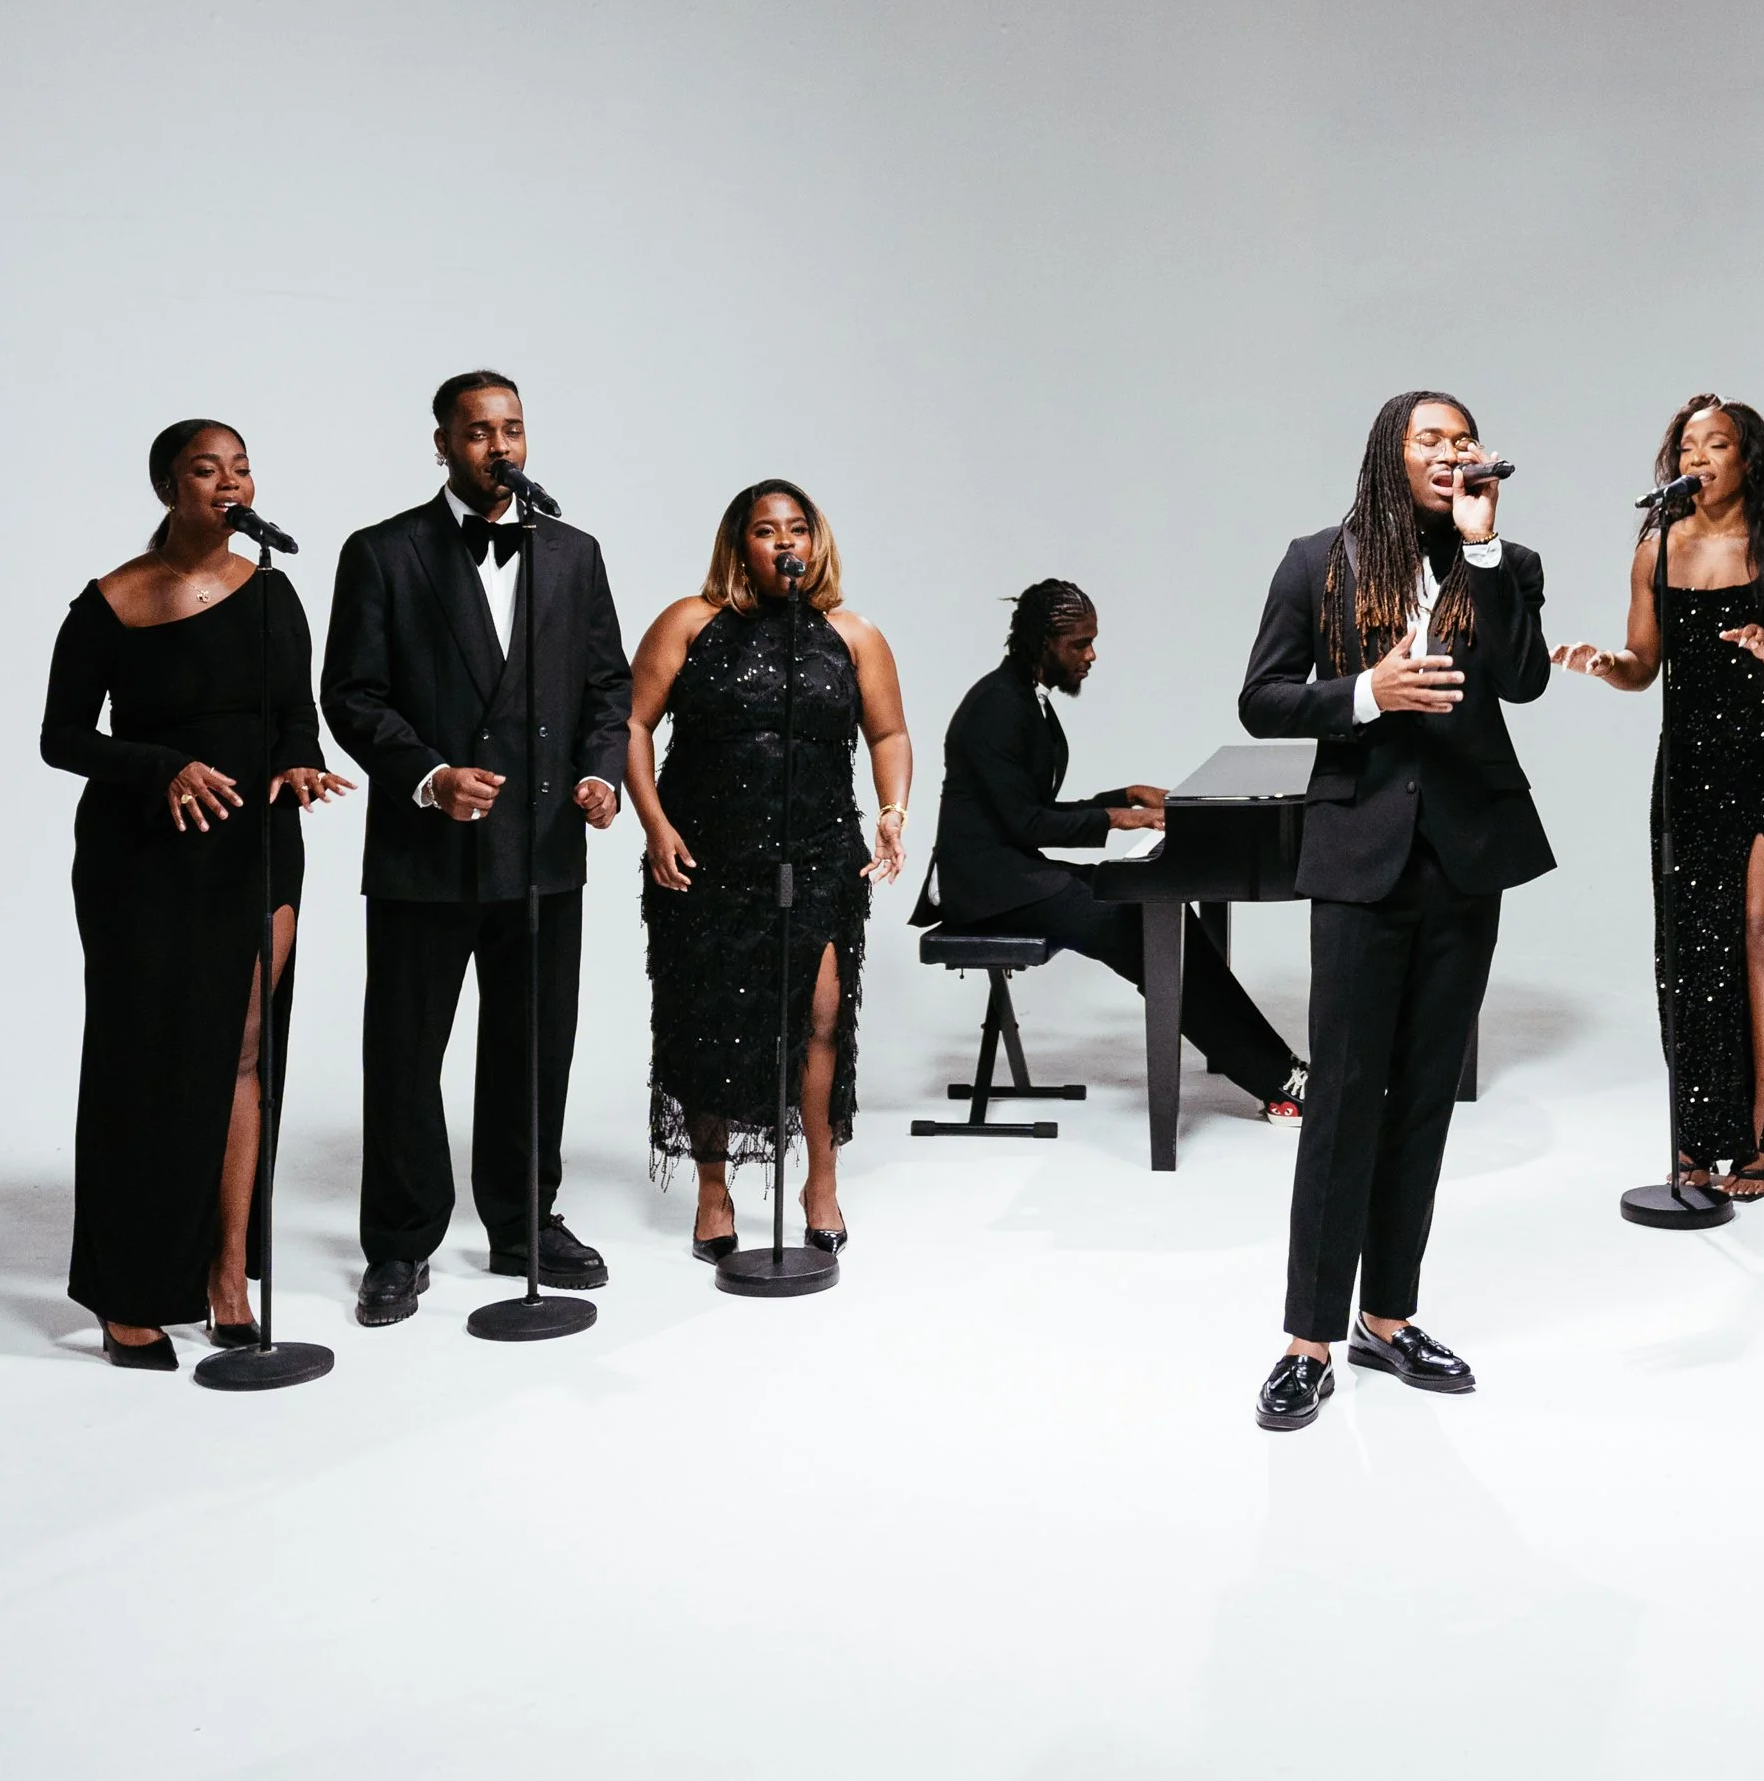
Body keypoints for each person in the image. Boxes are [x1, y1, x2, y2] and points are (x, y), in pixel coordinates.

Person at [1239, 391, 1552, 1431]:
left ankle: (1387, 1319)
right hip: (1361, 854)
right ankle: (1306, 1341)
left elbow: (1523, 677)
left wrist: (1487, 550)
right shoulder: (1314, 561)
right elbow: (1263, 698)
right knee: (1341, 1100)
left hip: (1465, 857)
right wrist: (1366, 692)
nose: (1452, 453)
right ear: (1390, 452)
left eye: (1463, 441)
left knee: (1423, 1095)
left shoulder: (1503, 562)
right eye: (1431, 439)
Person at [40, 421, 349, 1369]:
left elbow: (297, 712)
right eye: (206, 469)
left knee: (246, 1050)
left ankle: (226, 1274)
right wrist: (164, 765)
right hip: (144, 853)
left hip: (256, 845)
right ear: (169, 487)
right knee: (143, 1060)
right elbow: (63, 739)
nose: (229, 481)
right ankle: (127, 1289)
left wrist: (302, 762)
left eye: (241, 466)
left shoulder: (275, 592)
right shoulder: (108, 603)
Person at [322, 373, 629, 1325]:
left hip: (541, 849)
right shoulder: (383, 552)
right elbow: (352, 696)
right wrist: (426, 776)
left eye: (513, 429)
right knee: (406, 1054)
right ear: (443, 445)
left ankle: (523, 1224)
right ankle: (401, 1244)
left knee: (535, 1048)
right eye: (478, 432)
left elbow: (607, 687)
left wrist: (601, 774)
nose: (500, 446)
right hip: (426, 853)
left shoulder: (572, 553)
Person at [626, 481, 911, 1260]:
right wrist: (655, 824)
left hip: (818, 853)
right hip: (706, 858)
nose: (786, 543)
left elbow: (887, 734)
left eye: (798, 530)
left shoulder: (851, 636)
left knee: (820, 1018)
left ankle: (820, 1179)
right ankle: (713, 1190)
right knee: (711, 1023)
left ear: (815, 544)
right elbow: (634, 723)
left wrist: (892, 813)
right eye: (765, 531)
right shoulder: (691, 622)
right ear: (738, 545)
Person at [1554, 394, 1764, 1198]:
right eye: (1686, 447)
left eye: (1716, 445)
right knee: (1689, 948)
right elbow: (1645, 666)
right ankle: (1698, 1135)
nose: (1697, 458)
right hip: (1690, 763)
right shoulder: (1656, 548)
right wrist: (1608, 666)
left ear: (1750, 461)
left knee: (1762, 935)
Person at [917, 579, 1305, 1116]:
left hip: (1013, 874)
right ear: (1040, 642)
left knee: (1163, 918)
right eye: (1078, 644)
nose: (1090, 655)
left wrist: (1123, 796)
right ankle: (1278, 1080)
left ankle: (1277, 1067)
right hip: (985, 888)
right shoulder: (995, 708)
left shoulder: (1024, 699)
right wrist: (1121, 817)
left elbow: (1028, 810)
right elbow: (1027, 822)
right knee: (1143, 927)